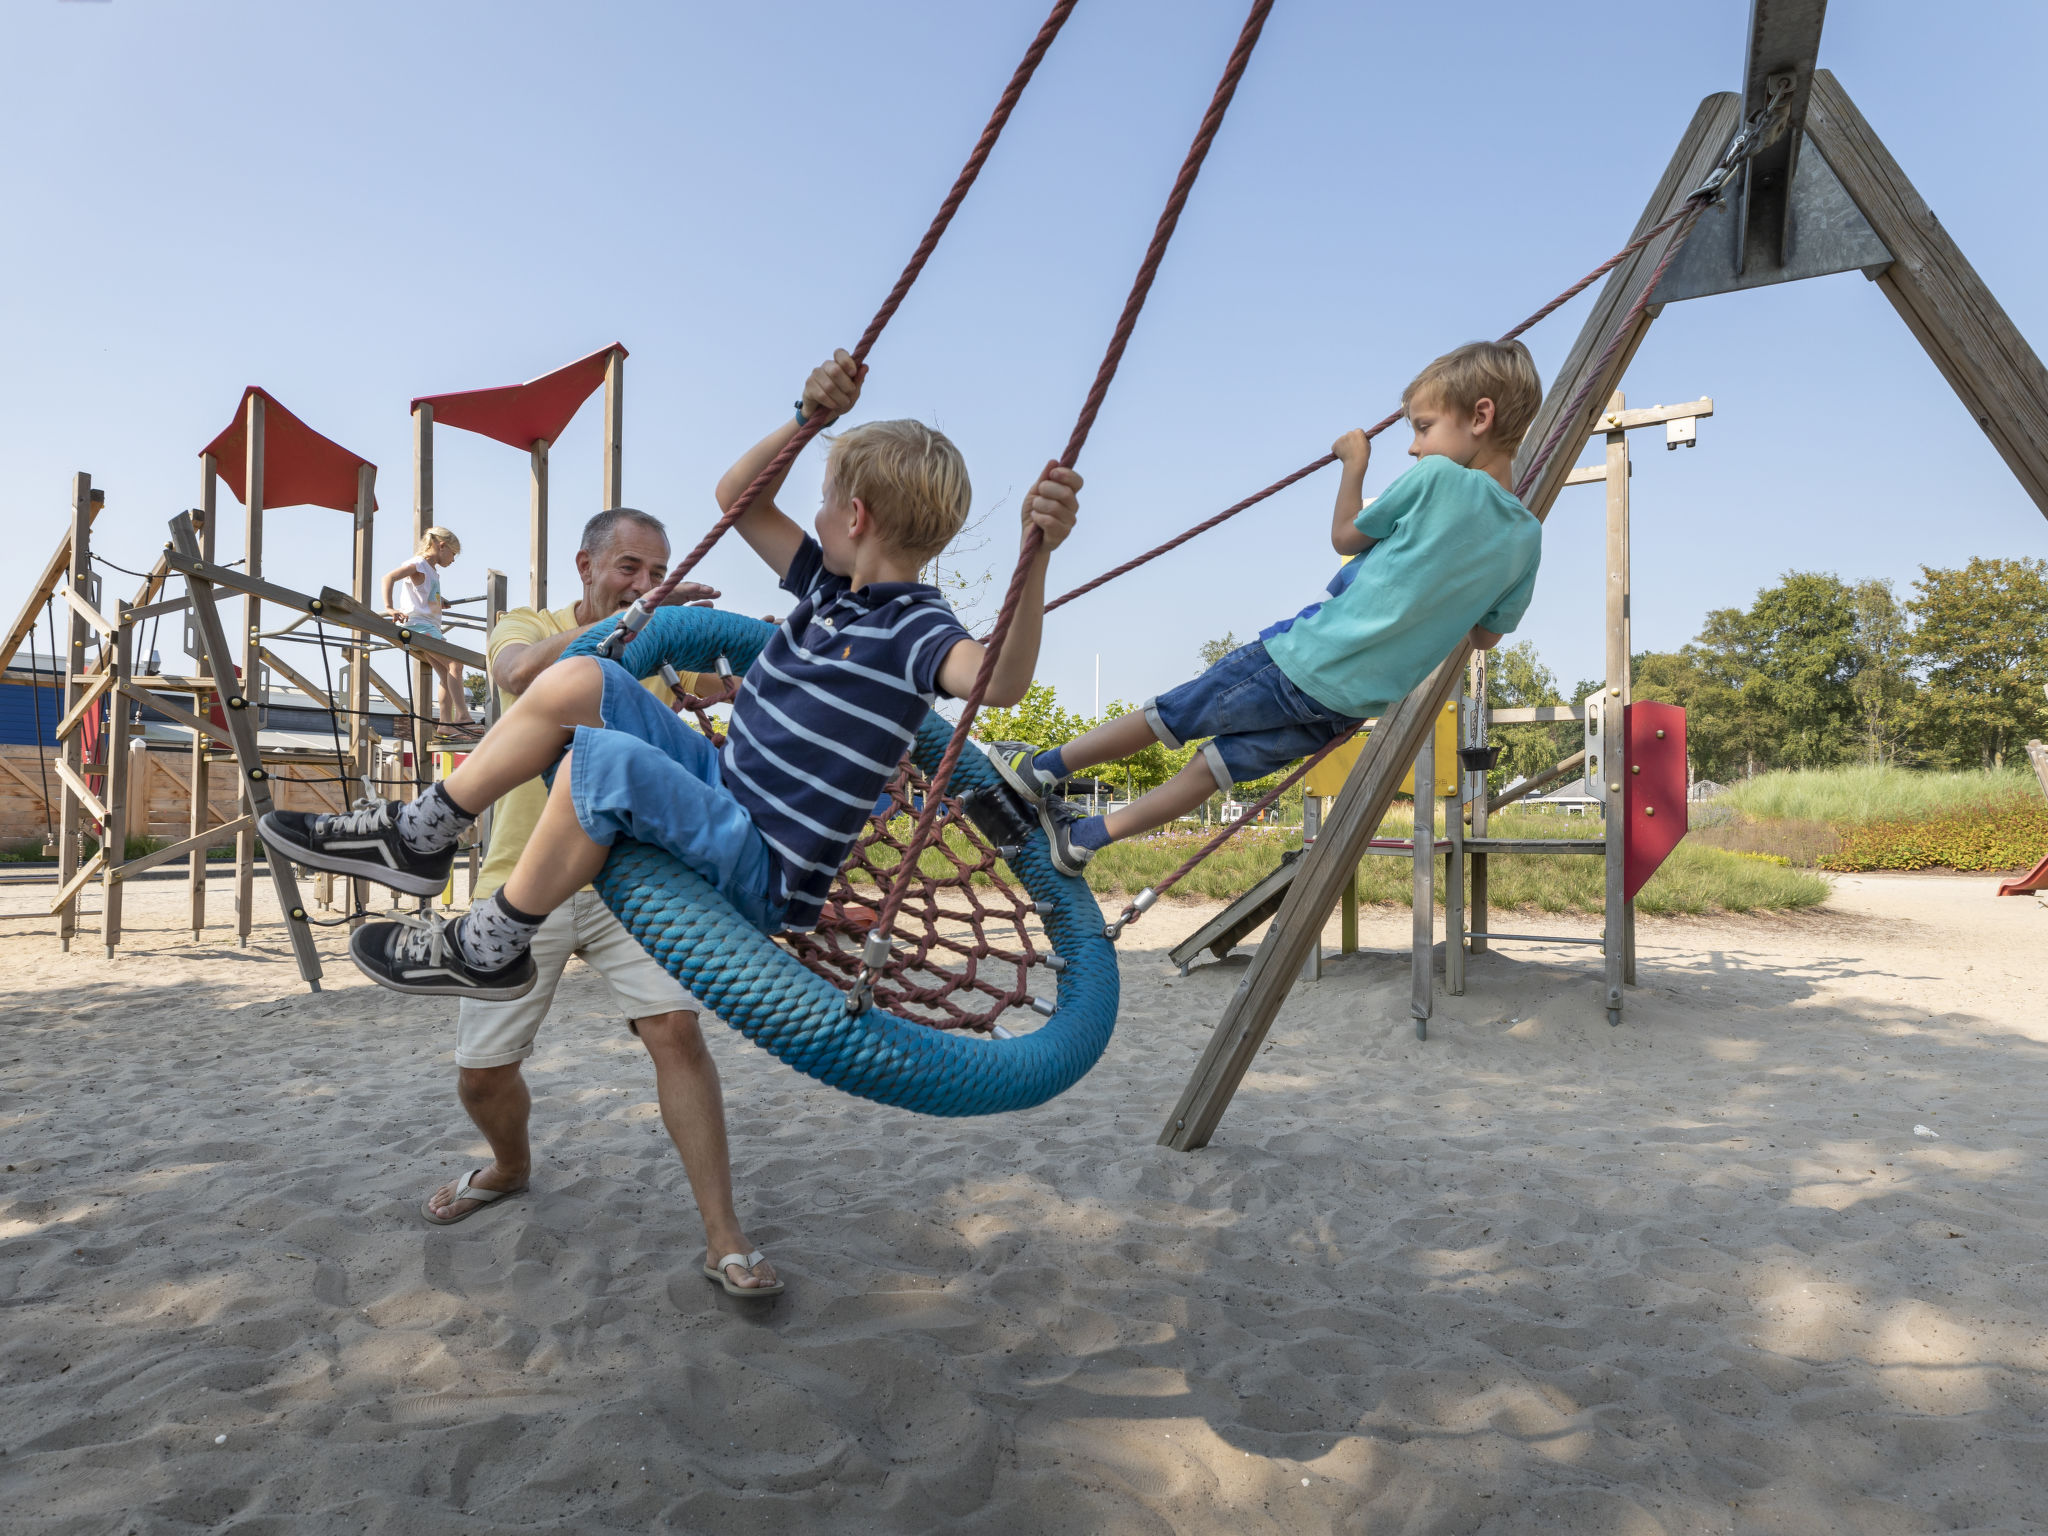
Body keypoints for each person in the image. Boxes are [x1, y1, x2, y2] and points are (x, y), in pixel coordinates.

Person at [256, 350, 1081, 1279]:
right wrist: (807, 416)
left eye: (823, 499)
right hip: (726, 789)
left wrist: (1035, 557)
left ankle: (495, 937)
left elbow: (1001, 682)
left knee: (605, 762)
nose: (808, 514)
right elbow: (737, 492)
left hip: (762, 856)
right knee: (584, 678)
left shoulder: (917, 631)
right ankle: (421, 833)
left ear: (854, 517)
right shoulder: (821, 588)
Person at [988, 339, 1545, 874]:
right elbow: (1485, 638)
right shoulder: (1525, 539)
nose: (1414, 446)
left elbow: (1347, 536)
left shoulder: (1438, 478)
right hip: (1350, 706)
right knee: (1213, 770)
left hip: (1300, 660)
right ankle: (1082, 840)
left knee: (1171, 715)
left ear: (1480, 417)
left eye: (1423, 428)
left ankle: (1040, 770)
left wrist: (1354, 462)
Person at [383, 526, 473, 728]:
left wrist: (439, 600)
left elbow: (422, 595)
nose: (453, 559)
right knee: (455, 665)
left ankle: (444, 725)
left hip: (430, 628)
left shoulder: (431, 571)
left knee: (446, 674)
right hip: (419, 628)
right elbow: (388, 577)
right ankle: (461, 714)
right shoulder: (418, 564)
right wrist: (389, 607)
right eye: (453, 554)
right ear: (442, 546)